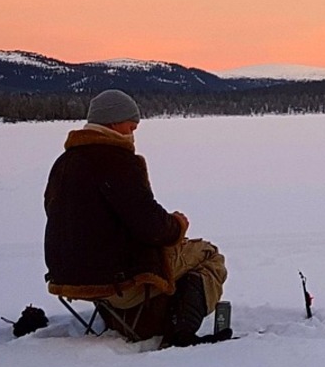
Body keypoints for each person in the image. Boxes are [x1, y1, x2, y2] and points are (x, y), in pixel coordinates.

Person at [44, 89, 227, 345]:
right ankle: (181, 332)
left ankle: (133, 319)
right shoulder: (117, 161)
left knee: (178, 253)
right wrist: (177, 225)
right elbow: (151, 226)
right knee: (208, 254)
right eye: (130, 127)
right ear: (113, 123)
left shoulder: (63, 163)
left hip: (72, 277)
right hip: (118, 279)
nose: (133, 133)